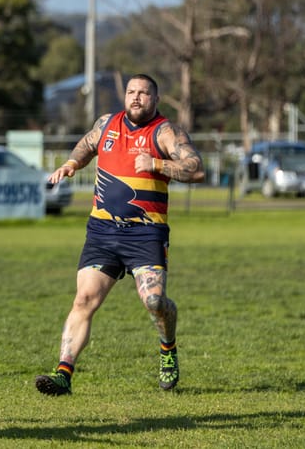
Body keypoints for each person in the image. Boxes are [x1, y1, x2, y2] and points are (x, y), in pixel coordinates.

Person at [35, 73, 205, 396]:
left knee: (154, 301)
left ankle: (168, 348)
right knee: (84, 299)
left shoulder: (166, 132)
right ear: (124, 96)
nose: (136, 97)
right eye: (131, 92)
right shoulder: (106, 124)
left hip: (146, 234)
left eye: (144, 93)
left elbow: (196, 168)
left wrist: (157, 165)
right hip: (102, 231)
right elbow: (87, 144)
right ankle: (63, 375)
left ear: (155, 99)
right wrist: (72, 163)